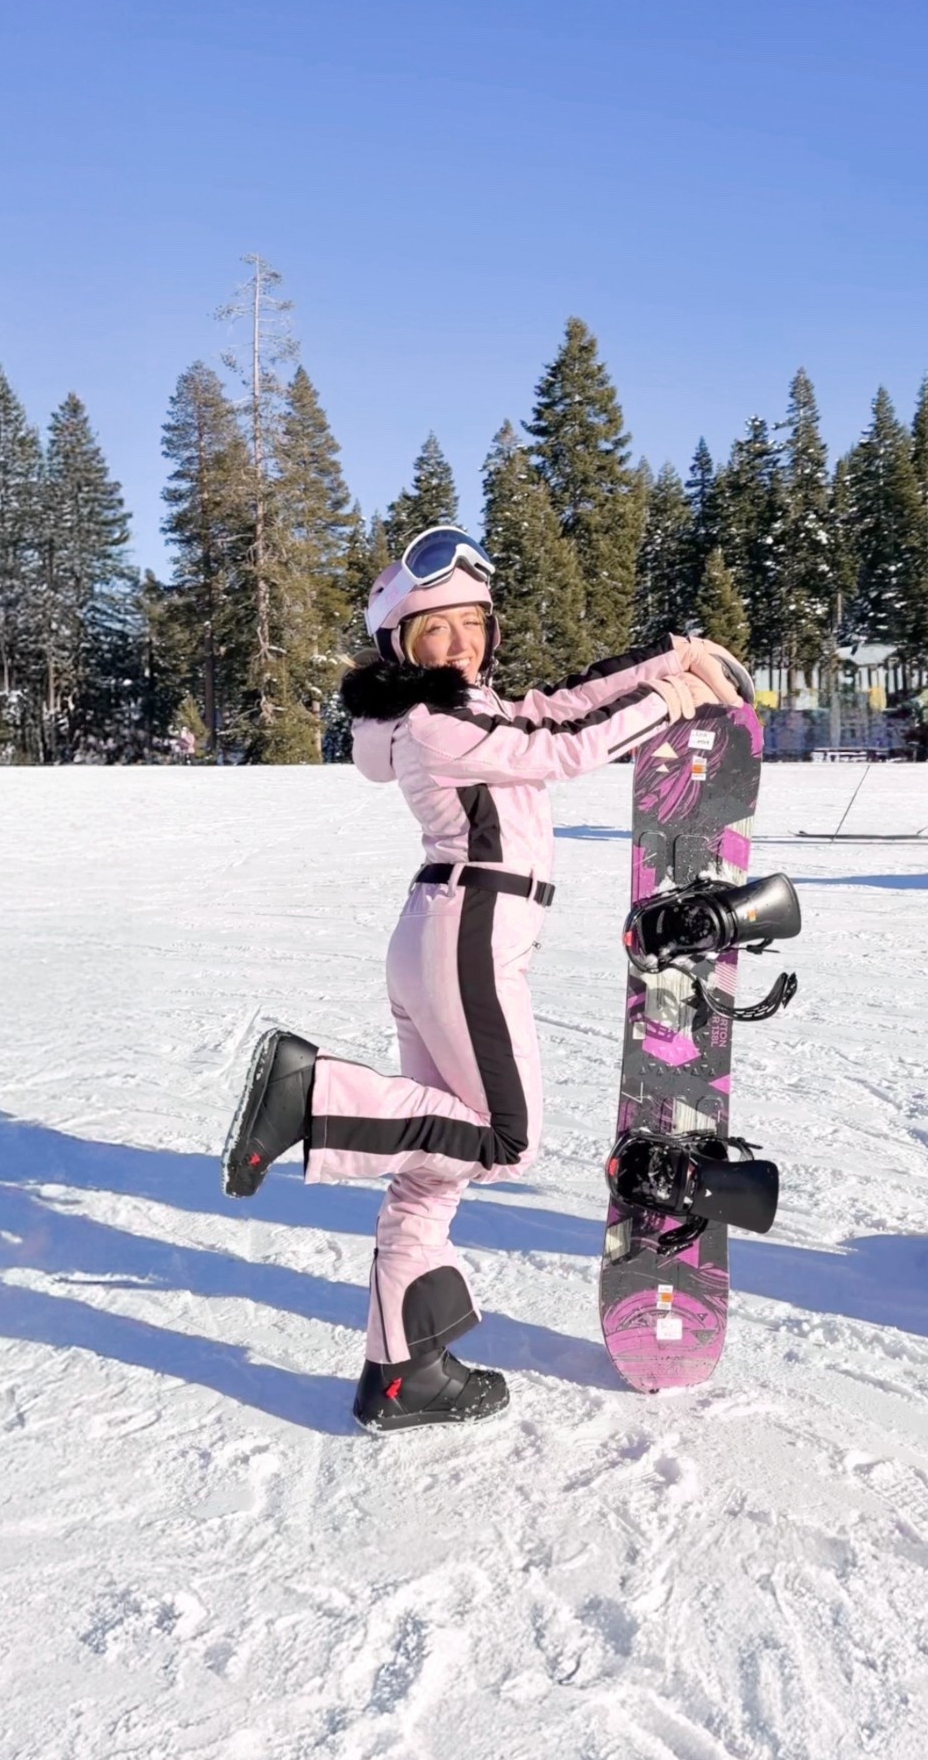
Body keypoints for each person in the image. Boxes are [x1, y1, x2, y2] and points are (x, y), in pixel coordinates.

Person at [222, 526, 741, 1432]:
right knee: (505, 1141)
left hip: (449, 931)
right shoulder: (435, 722)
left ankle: (402, 1369)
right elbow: (566, 748)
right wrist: (669, 702)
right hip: (471, 926)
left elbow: (556, 706)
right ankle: (311, 1099)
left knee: (433, 1169)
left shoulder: (467, 708)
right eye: (434, 630)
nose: (457, 643)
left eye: (470, 623)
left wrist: (668, 656)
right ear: (401, 647)